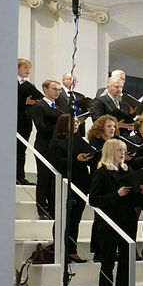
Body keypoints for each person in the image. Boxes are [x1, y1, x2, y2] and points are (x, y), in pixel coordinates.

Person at [89, 139, 143, 286]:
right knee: (107, 264)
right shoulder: (102, 172)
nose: (123, 153)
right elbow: (94, 200)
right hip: (109, 223)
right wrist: (117, 194)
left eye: (125, 150)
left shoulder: (127, 170)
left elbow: (132, 199)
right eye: (119, 150)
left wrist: (141, 191)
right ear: (110, 151)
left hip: (127, 221)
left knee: (126, 265)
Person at [48, 113, 92, 263]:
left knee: (75, 220)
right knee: (63, 219)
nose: (76, 125)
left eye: (77, 122)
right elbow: (56, 162)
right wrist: (76, 159)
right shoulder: (57, 142)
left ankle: (72, 251)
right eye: (72, 122)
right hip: (65, 184)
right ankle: (60, 250)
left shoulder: (79, 141)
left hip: (80, 183)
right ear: (63, 124)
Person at [28, 78, 63, 219]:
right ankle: (41, 208)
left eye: (59, 90)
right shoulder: (39, 106)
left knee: (54, 179)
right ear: (45, 89)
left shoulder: (58, 106)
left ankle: (52, 208)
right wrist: (59, 127)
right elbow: (40, 126)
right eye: (54, 89)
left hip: (56, 147)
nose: (57, 92)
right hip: (44, 146)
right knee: (44, 178)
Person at [16, 58, 39, 184]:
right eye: (25, 68)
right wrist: (25, 102)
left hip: (26, 122)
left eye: (29, 68)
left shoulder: (30, 86)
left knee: (21, 151)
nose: (28, 70)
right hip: (14, 122)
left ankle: (20, 176)